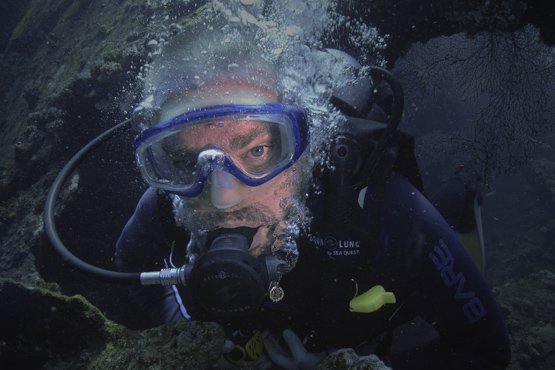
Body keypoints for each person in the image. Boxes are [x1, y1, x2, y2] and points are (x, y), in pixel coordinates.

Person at [116, 19, 510, 370]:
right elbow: (130, 264)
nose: (224, 198)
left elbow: (486, 351)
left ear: (304, 146)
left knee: (454, 219)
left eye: (257, 151)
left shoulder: (382, 207)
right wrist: (187, 333)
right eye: (189, 161)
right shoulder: (172, 202)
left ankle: (462, 199)